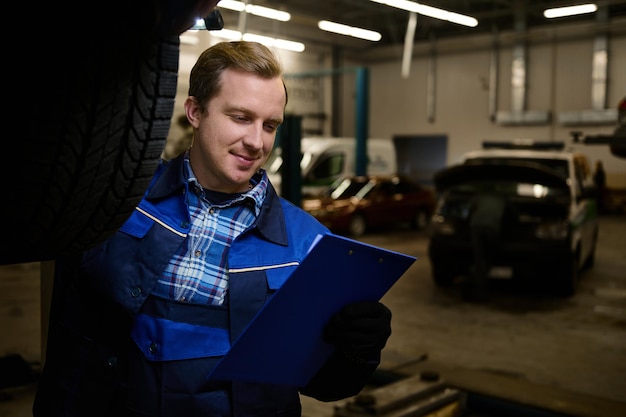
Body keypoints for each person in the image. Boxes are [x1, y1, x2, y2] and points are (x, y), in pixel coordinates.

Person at [33, 41, 393, 417]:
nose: (257, 142)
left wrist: (357, 351)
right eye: (240, 117)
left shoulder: (311, 246)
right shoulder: (118, 199)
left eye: (270, 125)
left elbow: (325, 385)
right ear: (195, 111)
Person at [465, 192, 507, 302]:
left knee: (479, 257)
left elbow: (469, 211)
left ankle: (477, 288)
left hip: (476, 227)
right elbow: (513, 214)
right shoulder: (502, 198)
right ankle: (481, 291)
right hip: (492, 228)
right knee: (487, 257)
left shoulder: (479, 196)